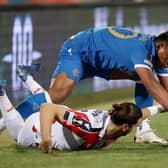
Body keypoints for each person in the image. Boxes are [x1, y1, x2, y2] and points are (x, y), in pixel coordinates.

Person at [2, 26, 168, 144]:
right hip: (79, 50)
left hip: (101, 64)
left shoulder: (158, 56)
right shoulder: (142, 50)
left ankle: (143, 130)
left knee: (141, 77)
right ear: (160, 46)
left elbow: (164, 89)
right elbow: (153, 86)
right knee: (57, 96)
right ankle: (4, 121)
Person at [0, 79, 165, 153]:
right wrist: (46, 138)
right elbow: (47, 108)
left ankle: (26, 79)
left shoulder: (120, 119)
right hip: (38, 129)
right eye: (135, 126)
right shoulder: (89, 126)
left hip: (57, 121)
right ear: (125, 128)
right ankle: (2, 94)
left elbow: (141, 114)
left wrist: (163, 107)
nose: (137, 127)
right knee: (18, 138)